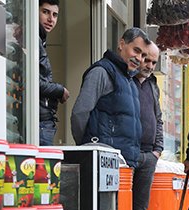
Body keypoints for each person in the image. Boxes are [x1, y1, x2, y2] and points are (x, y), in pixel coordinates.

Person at [70, 28, 150, 168]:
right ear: (121, 44)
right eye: (136, 50)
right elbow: (80, 113)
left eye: (143, 55)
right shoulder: (101, 72)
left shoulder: (130, 81)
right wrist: (86, 147)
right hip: (104, 162)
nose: (139, 58)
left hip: (125, 163)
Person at [131, 42, 165, 210]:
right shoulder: (126, 80)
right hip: (128, 153)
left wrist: (158, 149)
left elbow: (158, 118)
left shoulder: (153, 85)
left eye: (154, 62)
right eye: (147, 60)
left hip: (148, 155)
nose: (150, 65)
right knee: (119, 207)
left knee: (140, 208)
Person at [39, 0, 69, 146]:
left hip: (43, 122)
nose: (51, 19)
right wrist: (59, 90)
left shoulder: (40, 41)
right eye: (45, 12)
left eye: (55, 15)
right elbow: (32, 82)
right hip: (39, 123)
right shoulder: (31, 40)